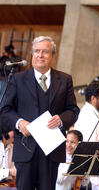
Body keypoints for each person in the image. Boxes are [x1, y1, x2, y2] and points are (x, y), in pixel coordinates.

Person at [1, 36, 80, 190]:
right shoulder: (17, 79)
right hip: (25, 149)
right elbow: (5, 110)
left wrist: (61, 119)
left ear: (52, 55)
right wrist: (20, 123)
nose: (40, 55)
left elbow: (73, 110)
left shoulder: (65, 79)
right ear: (32, 54)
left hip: (52, 151)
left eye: (45, 52)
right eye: (36, 51)